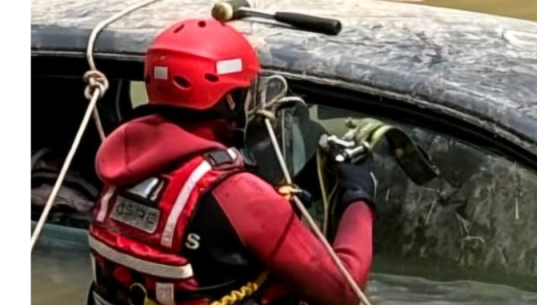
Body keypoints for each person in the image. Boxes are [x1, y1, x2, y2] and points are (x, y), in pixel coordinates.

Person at [87, 17, 375, 305]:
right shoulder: (241, 194)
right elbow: (343, 292)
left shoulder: (117, 167)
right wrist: (359, 197)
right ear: (232, 100)